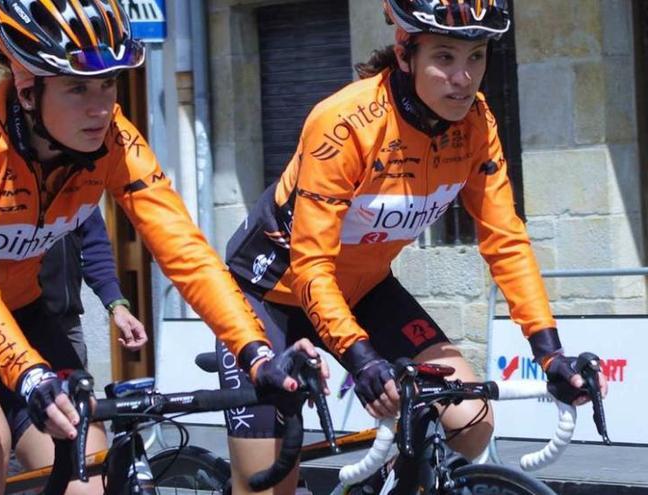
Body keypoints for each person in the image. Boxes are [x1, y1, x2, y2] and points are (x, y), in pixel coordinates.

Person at [0, 1, 326, 494]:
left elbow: (185, 251)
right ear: (27, 86)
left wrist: (256, 352)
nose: (100, 108)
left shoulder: (115, 140)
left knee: (89, 472)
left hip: (20, 310)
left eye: (108, 84)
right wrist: (29, 375)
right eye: (77, 87)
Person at [219, 1, 609, 493]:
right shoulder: (345, 123)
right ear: (405, 53)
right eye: (445, 57)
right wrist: (360, 357)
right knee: (267, 484)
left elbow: (505, 240)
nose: (464, 77)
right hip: (268, 296)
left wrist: (550, 353)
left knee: (471, 420)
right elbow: (312, 265)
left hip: (364, 290)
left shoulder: (475, 126)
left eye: (477, 56)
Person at [36, 207, 147, 493]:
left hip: (64, 325)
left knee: (78, 429)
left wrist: (116, 304)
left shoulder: (78, 182)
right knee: (22, 436)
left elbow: (94, 244)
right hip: (8, 322)